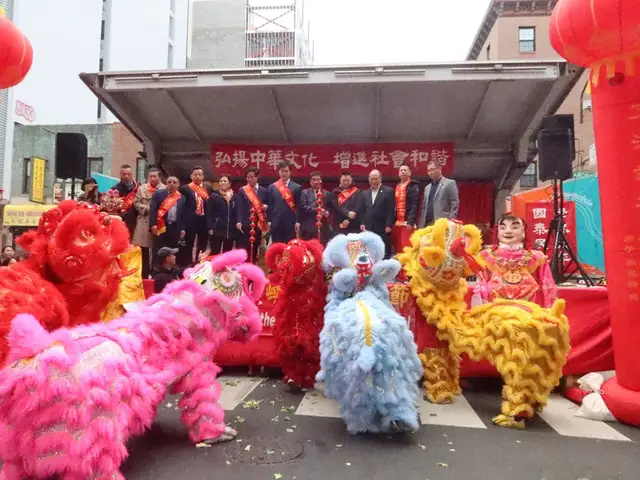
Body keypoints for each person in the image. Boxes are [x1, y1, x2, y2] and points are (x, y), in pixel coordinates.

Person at [474, 214, 558, 308]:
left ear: (524, 231)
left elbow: (548, 288)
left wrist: (550, 310)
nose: (508, 231)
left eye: (514, 227)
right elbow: (481, 286)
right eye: (502, 228)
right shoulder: (487, 256)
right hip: (495, 308)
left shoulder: (536, 258)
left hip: (528, 310)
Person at [133, 168, 166, 278]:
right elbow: (136, 203)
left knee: (157, 248)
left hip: (159, 221)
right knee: (144, 249)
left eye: (155, 176)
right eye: (150, 176)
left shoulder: (165, 189)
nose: (152, 179)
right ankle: (144, 273)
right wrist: (147, 208)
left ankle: (156, 272)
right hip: (144, 220)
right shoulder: (142, 189)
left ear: (159, 177)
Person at [180, 166, 212, 266]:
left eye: (200, 175)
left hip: (203, 219)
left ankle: (199, 265)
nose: (197, 176)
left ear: (203, 176)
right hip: (191, 220)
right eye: (195, 175)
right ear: (191, 176)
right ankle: (188, 265)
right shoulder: (185, 188)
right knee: (188, 244)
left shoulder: (207, 188)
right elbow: (182, 207)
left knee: (202, 244)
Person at [235, 167, 269, 263]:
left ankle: (253, 266)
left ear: (257, 177)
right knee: (244, 247)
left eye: (252, 177)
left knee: (256, 247)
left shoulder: (264, 191)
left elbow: (268, 204)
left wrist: (266, 206)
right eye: (248, 177)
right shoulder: (242, 190)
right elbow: (239, 207)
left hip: (259, 223)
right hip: (246, 223)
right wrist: (239, 221)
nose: (249, 179)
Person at [149, 176, 185, 259]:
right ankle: (157, 266)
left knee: (172, 250)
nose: (172, 184)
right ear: (166, 183)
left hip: (175, 227)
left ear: (178, 185)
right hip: (161, 226)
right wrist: (153, 224)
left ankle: (170, 266)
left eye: (174, 182)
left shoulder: (182, 198)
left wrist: (183, 228)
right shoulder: (158, 194)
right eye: (169, 182)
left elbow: (183, 215)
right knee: (158, 250)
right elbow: (152, 210)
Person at [361, 169, 395, 258]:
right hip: (368, 227)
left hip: (383, 227)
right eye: (371, 179)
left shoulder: (388, 191)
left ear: (380, 178)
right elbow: (362, 210)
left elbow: (390, 209)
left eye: (376, 179)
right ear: (369, 179)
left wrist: (389, 225)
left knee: (383, 251)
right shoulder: (364, 193)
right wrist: (362, 223)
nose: (373, 181)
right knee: (369, 251)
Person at [267, 161, 301, 243]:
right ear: (279, 172)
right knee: (277, 247)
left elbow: (298, 207)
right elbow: (270, 206)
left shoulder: (297, 187)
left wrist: (298, 221)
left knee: (290, 247)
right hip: (276, 223)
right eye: (282, 171)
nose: (284, 173)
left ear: (290, 172)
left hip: (291, 223)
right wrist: (269, 221)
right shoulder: (272, 187)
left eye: (286, 171)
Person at [418, 161, 459, 228]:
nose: (430, 173)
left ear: (439, 169)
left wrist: (451, 221)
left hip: (442, 223)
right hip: (427, 223)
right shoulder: (427, 188)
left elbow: (454, 203)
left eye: (432, 170)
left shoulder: (449, 183)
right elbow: (424, 207)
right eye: (428, 171)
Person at [393, 164, 421, 254]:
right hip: (398, 222)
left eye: (405, 170)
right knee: (398, 248)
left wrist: (411, 221)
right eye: (401, 170)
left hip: (408, 223)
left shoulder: (413, 186)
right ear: (398, 173)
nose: (403, 172)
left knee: (408, 247)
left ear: (410, 173)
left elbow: (415, 204)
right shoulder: (397, 186)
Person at [207, 174, 237, 254]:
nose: (222, 183)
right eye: (220, 181)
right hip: (216, 230)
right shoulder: (214, 196)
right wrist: (210, 227)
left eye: (224, 181)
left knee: (227, 254)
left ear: (229, 183)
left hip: (230, 231)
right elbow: (209, 213)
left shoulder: (235, 196)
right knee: (214, 253)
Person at [298, 171, 331, 244]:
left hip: (323, 227)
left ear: (321, 181)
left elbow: (329, 207)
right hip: (308, 226)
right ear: (310, 182)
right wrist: (318, 210)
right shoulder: (304, 192)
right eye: (314, 180)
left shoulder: (327, 193)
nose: (316, 182)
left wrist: (326, 212)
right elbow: (303, 207)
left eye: (318, 180)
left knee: (322, 246)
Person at [113, 164, 139, 238]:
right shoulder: (115, 189)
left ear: (132, 175)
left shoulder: (139, 188)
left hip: (137, 221)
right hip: (121, 221)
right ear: (120, 175)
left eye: (128, 174)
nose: (126, 176)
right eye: (124, 174)